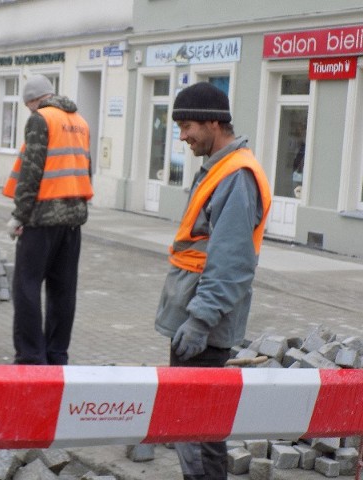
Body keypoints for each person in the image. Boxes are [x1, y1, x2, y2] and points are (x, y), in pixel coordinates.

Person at [154, 82, 271, 479]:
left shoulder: (236, 177)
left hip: (204, 325)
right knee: (194, 427)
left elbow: (233, 263)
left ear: (213, 123)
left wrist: (200, 320)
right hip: (193, 317)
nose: (183, 136)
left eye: (187, 126)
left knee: (199, 431)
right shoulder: (220, 169)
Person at [3, 74, 93, 365]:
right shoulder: (79, 121)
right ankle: (57, 354)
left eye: (29, 106)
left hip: (42, 220)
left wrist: (19, 215)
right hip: (73, 221)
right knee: (63, 290)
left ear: (33, 101)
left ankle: (30, 356)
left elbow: (32, 170)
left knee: (26, 286)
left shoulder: (41, 119)